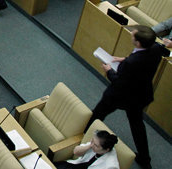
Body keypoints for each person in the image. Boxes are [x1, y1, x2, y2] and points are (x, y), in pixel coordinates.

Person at [86, 25, 169, 169]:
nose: (131, 35)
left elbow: (118, 82)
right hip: (140, 95)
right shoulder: (155, 48)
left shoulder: (131, 63)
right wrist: (124, 59)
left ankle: (84, 133)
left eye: (133, 35)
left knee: (98, 113)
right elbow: (142, 59)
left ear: (138, 43)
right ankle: (144, 159)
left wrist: (109, 70)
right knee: (137, 125)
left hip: (120, 95)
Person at [54, 130, 119, 169]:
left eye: (96, 145)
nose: (92, 145)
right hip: (73, 165)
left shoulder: (111, 166)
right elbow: (76, 152)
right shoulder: (94, 143)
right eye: (92, 141)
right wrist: (89, 146)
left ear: (106, 150)